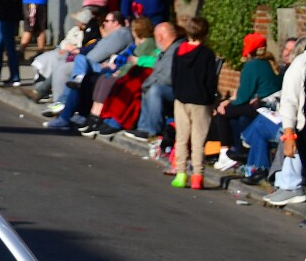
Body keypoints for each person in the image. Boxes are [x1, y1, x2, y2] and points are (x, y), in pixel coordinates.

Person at [212, 34, 283, 172]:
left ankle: (225, 153)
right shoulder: (269, 63)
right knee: (237, 117)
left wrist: (226, 102)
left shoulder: (252, 65)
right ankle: (238, 150)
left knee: (221, 112)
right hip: (269, 107)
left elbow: (242, 97)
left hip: (259, 106)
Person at [169, 16, 218, 190]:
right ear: (205, 33)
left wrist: (177, 92)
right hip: (201, 101)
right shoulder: (207, 54)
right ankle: (197, 176)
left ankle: (181, 173)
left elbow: (174, 75)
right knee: (198, 140)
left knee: (181, 138)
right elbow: (211, 81)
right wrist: (212, 99)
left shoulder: (179, 51)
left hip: (181, 98)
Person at [121, 22, 184, 142]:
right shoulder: (166, 50)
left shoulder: (176, 50)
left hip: (179, 89)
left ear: (160, 37)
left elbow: (169, 77)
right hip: (170, 86)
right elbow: (157, 70)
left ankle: (153, 130)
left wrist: (150, 83)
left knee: (154, 89)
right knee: (148, 86)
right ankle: (143, 127)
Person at [263, 40, 306, 205]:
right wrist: (289, 133)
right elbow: (289, 101)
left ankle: (289, 184)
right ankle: (287, 184)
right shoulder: (300, 65)